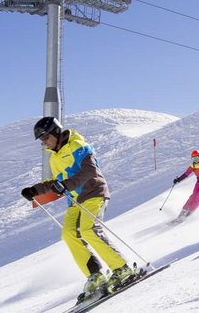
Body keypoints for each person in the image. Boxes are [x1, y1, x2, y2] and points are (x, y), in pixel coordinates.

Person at [21, 116, 134, 301]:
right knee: (68, 234)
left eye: (46, 138)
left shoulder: (78, 144)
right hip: (74, 200)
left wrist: (66, 185)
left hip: (93, 192)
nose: (44, 143)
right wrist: (35, 190)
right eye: (41, 141)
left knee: (89, 230)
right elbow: (57, 182)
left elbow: (89, 170)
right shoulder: (54, 158)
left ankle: (121, 268)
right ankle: (95, 275)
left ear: (56, 133)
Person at [172, 149, 199, 221]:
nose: (195, 160)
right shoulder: (193, 165)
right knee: (193, 195)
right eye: (193, 158)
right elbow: (186, 174)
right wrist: (178, 179)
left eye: (196, 158)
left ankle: (191, 211)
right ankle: (184, 211)